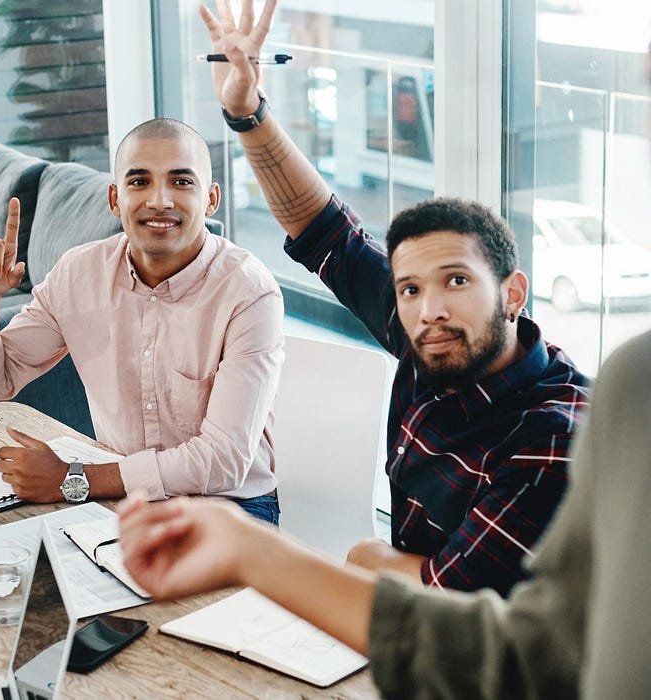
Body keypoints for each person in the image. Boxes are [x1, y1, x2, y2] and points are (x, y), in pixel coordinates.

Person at [192, 0, 589, 593]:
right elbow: (321, 226)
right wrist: (246, 113)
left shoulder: (553, 440)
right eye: (410, 289)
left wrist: (367, 556)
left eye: (457, 281)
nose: (429, 308)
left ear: (513, 293)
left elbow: (444, 601)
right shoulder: (431, 336)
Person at [118, 322, 651, 697]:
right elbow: (530, 658)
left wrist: (255, 551)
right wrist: (247, 549)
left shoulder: (574, 417)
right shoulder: (635, 386)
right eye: (411, 290)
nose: (431, 312)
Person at [0, 118, 285, 523]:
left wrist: (72, 480)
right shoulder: (79, 272)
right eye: (139, 182)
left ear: (211, 198)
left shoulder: (249, 291)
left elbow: (224, 461)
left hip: (228, 507)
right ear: (115, 199)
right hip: (118, 497)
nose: (160, 200)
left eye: (181, 182)